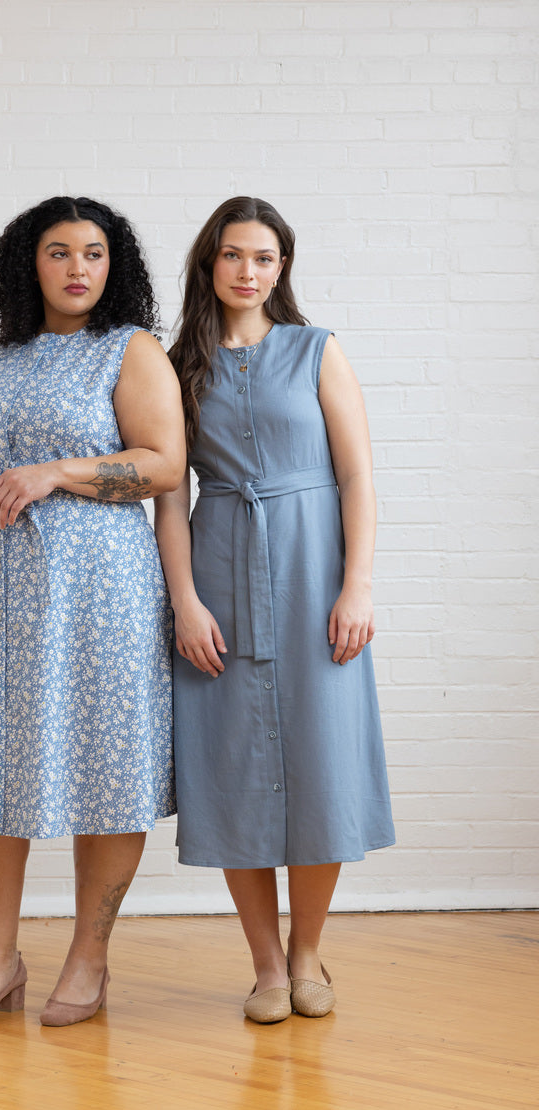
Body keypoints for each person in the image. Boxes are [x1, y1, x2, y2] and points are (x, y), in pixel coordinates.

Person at [0, 196, 185, 1029]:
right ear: (28, 265)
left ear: (114, 266)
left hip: (97, 591)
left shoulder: (129, 351)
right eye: (60, 252)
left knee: (103, 765)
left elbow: (165, 464)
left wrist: (54, 473)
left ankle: (88, 958)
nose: (77, 268)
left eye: (94, 253)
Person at [155, 197, 394, 1024]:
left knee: (322, 761)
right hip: (219, 564)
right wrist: (184, 601)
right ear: (208, 264)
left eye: (262, 258)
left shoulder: (316, 351)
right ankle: (262, 965)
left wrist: (356, 585)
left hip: (312, 567)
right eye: (231, 256)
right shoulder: (176, 362)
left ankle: (306, 954)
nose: (247, 272)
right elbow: (168, 494)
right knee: (232, 770)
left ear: (281, 267)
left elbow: (358, 474)